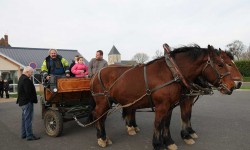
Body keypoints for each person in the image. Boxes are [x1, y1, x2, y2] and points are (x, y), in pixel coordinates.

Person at [16, 66, 40, 141]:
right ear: (27, 72)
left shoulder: (21, 78)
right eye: (31, 72)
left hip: (22, 102)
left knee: (24, 119)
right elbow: (28, 92)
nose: (31, 74)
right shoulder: (26, 80)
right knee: (28, 119)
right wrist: (33, 100)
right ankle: (29, 135)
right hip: (27, 102)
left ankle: (24, 134)